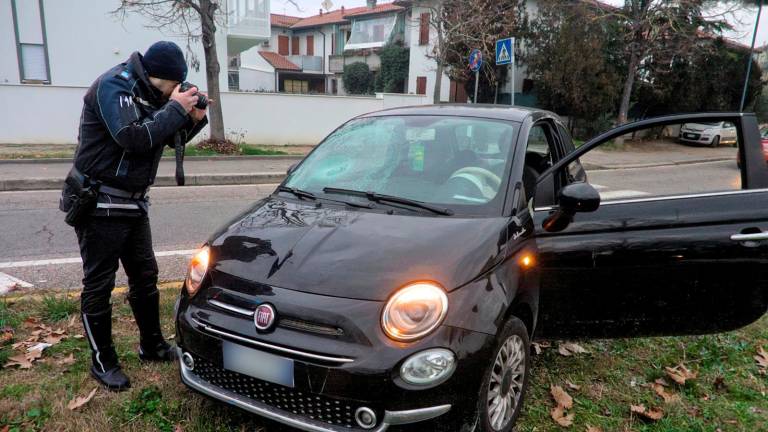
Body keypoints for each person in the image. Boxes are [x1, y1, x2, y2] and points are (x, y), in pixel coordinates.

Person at [59, 41, 208, 391]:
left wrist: (193, 120)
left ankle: (151, 345)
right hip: (99, 201)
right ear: (160, 78)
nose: (176, 92)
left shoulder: (154, 94)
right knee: (99, 283)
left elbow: (166, 137)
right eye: (174, 86)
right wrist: (175, 108)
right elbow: (133, 136)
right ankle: (103, 361)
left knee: (145, 276)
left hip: (133, 202)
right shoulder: (115, 85)